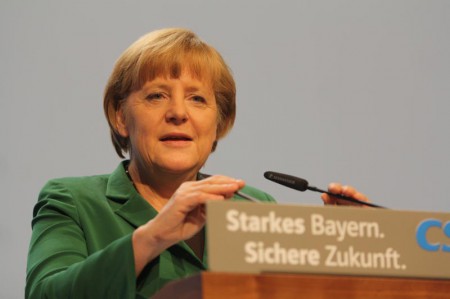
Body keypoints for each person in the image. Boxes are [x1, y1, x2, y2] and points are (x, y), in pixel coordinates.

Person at [25, 28, 369, 299]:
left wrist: (339, 252)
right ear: (121, 118)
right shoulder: (72, 200)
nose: (178, 113)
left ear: (219, 123)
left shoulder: (254, 207)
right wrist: (154, 236)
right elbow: (44, 294)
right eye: (156, 95)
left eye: (198, 98)